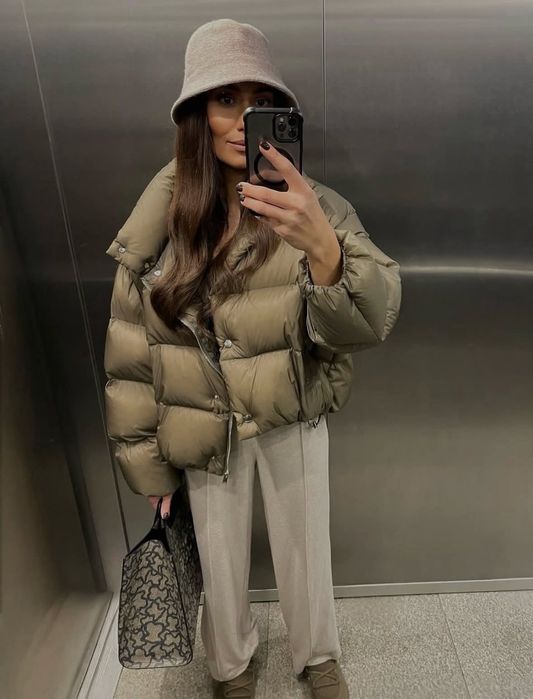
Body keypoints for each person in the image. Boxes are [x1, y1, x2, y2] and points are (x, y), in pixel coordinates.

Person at [104, 18, 402, 699]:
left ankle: (318, 656)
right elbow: (128, 350)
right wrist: (147, 462)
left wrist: (323, 248)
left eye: (260, 101)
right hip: (201, 418)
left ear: (281, 115)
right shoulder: (161, 215)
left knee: (307, 548)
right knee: (217, 554)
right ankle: (230, 667)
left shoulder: (313, 206)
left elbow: (373, 315)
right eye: (224, 99)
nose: (242, 120)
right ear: (195, 115)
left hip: (290, 405)